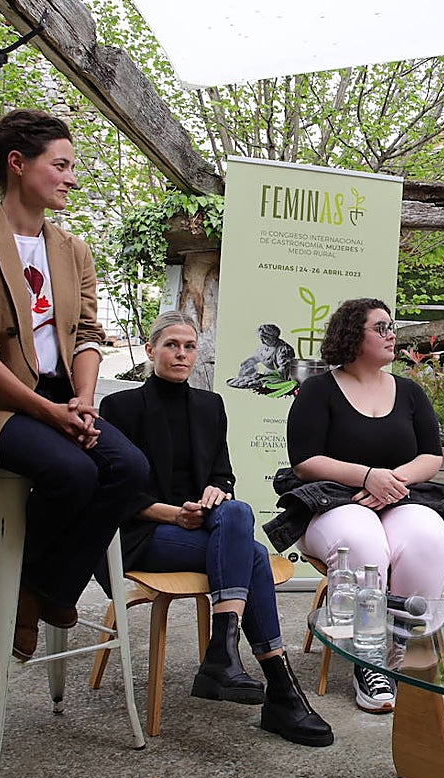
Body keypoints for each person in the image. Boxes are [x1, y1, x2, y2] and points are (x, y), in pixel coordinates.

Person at [0, 109, 149, 661]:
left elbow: (89, 334)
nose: (71, 177)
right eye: (61, 165)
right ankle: (40, 593)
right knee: (72, 470)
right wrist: (47, 413)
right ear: (17, 164)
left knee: (129, 469)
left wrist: (80, 399)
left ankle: (43, 589)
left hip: (59, 396)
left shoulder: (73, 250)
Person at [100, 312, 332, 747]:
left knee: (235, 508)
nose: (181, 354)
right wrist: (173, 514)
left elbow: (223, 475)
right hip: (146, 533)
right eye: (171, 345)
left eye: (189, 346)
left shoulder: (210, 406)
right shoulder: (120, 407)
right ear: (151, 351)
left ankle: (225, 655)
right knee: (255, 555)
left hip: (206, 528)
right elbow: (115, 491)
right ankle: (274, 686)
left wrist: (213, 491)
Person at [282, 298, 444, 714]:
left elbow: (432, 457)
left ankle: (407, 650)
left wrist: (391, 481)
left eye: (391, 326)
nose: (391, 333)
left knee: (428, 537)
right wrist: (365, 476)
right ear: (352, 336)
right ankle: (370, 655)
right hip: (335, 501)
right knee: (363, 542)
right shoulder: (319, 390)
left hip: (398, 495)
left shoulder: (410, 392)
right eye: (381, 327)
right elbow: (304, 460)